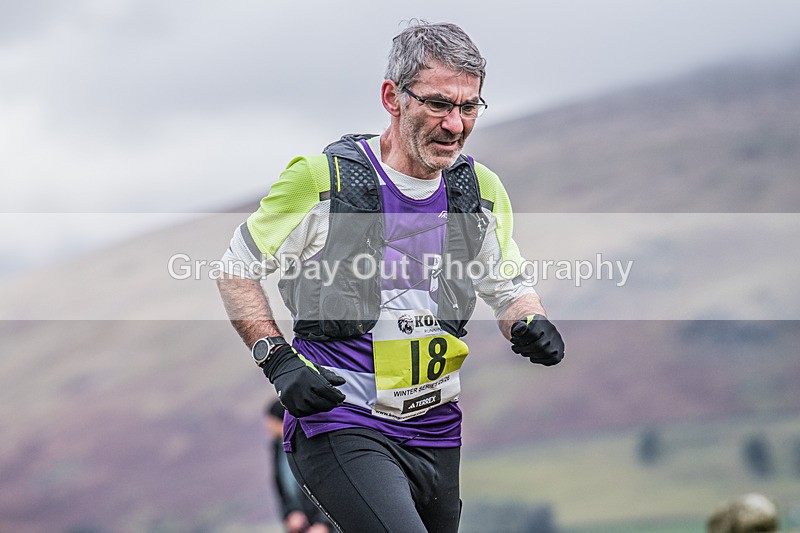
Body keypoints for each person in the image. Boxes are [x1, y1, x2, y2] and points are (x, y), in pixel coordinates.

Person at [218, 20, 565, 533]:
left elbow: (507, 287)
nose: (455, 125)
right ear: (392, 96)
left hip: (437, 428)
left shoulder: (481, 190)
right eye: (438, 104)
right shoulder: (322, 181)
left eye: (468, 107)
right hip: (341, 421)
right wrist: (278, 362)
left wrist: (531, 322)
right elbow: (236, 270)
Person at [263, 400, 332, 533]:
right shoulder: (278, 449)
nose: (268, 427)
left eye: (271, 422)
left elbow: (330, 486)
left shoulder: (309, 445)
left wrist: (324, 523)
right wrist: (291, 514)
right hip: (303, 526)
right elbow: (282, 491)